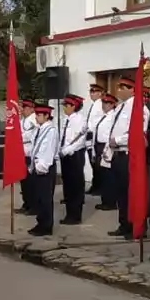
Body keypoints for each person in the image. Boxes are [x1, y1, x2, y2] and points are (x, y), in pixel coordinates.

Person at [105, 77, 149, 239]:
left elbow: (137, 133)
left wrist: (117, 141)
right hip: (117, 154)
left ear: (132, 90)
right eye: (119, 86)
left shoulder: (139, 108)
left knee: (132, 192)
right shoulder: (119, 107)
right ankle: (124, 223)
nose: (119, 89)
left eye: (123, 87)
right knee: (121, 192)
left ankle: (136, 225)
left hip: (129, 154)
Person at [26, 102, 58, 236]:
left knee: (45, 198)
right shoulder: (38, 129)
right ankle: (40, 222)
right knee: (38, 197)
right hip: (36, 167)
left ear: (46, 116)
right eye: (36, 115)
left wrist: (41, 166)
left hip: (44, 167)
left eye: (39, 115)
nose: (36, 117)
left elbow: (48, 150)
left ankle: (46, 226)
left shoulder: (51, 131)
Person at [57, 95, 90, 225]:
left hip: (75, 155)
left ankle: (75, 215)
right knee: (68, 185)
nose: (64, 108)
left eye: (66, 105)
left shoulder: (80, 120)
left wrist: (67, 149)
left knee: (75, 185)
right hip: (65, 155)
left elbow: (81, 139)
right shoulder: (66, 119)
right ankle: (69, 213)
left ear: (73, 106)